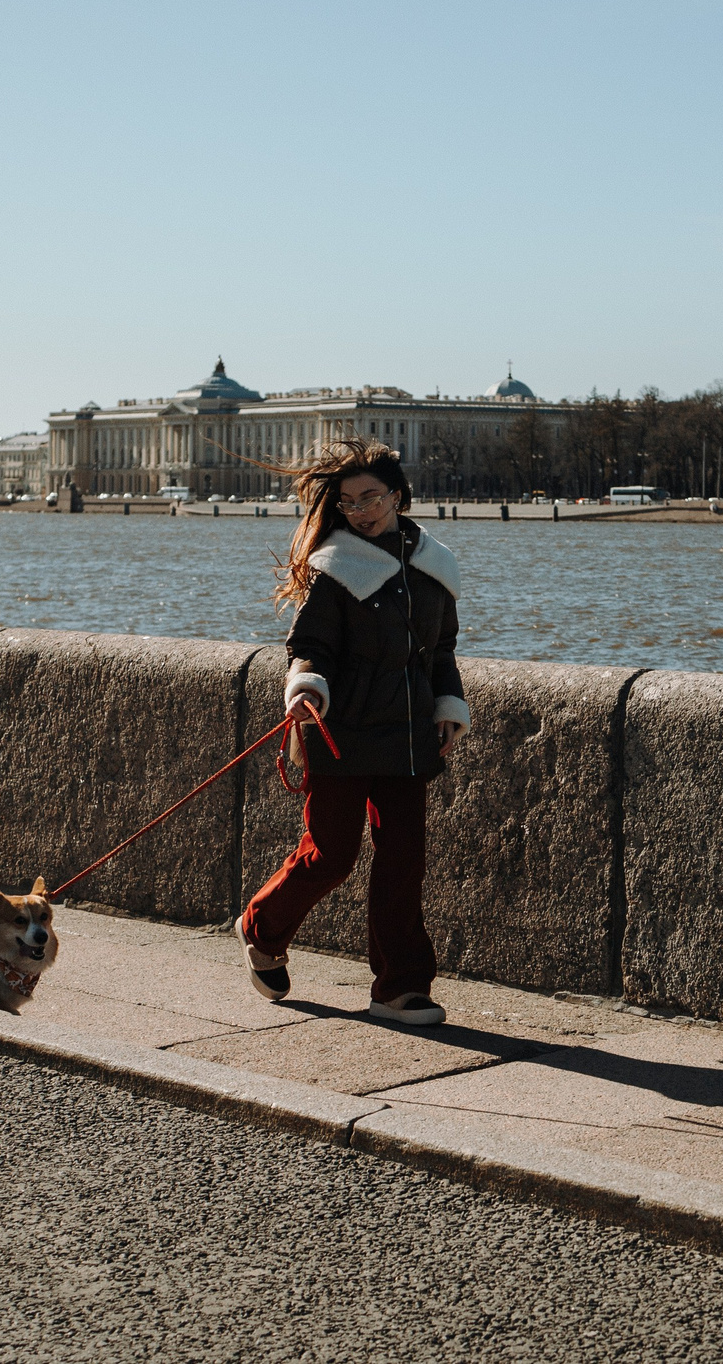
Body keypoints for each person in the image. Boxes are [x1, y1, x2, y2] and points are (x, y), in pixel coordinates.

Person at [238, 437, 467, 1025]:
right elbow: (309, 646)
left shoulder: (434, 564)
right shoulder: (334, 568)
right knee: (331, 856)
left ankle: (400, 989)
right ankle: (262, 927)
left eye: (371, 497)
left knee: (403, 864)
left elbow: (441, 650)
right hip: (340, 731)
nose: (361, 511)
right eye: (348, 502)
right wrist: (307, 686)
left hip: (409, 736)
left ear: (398, 495)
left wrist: (448, 705)